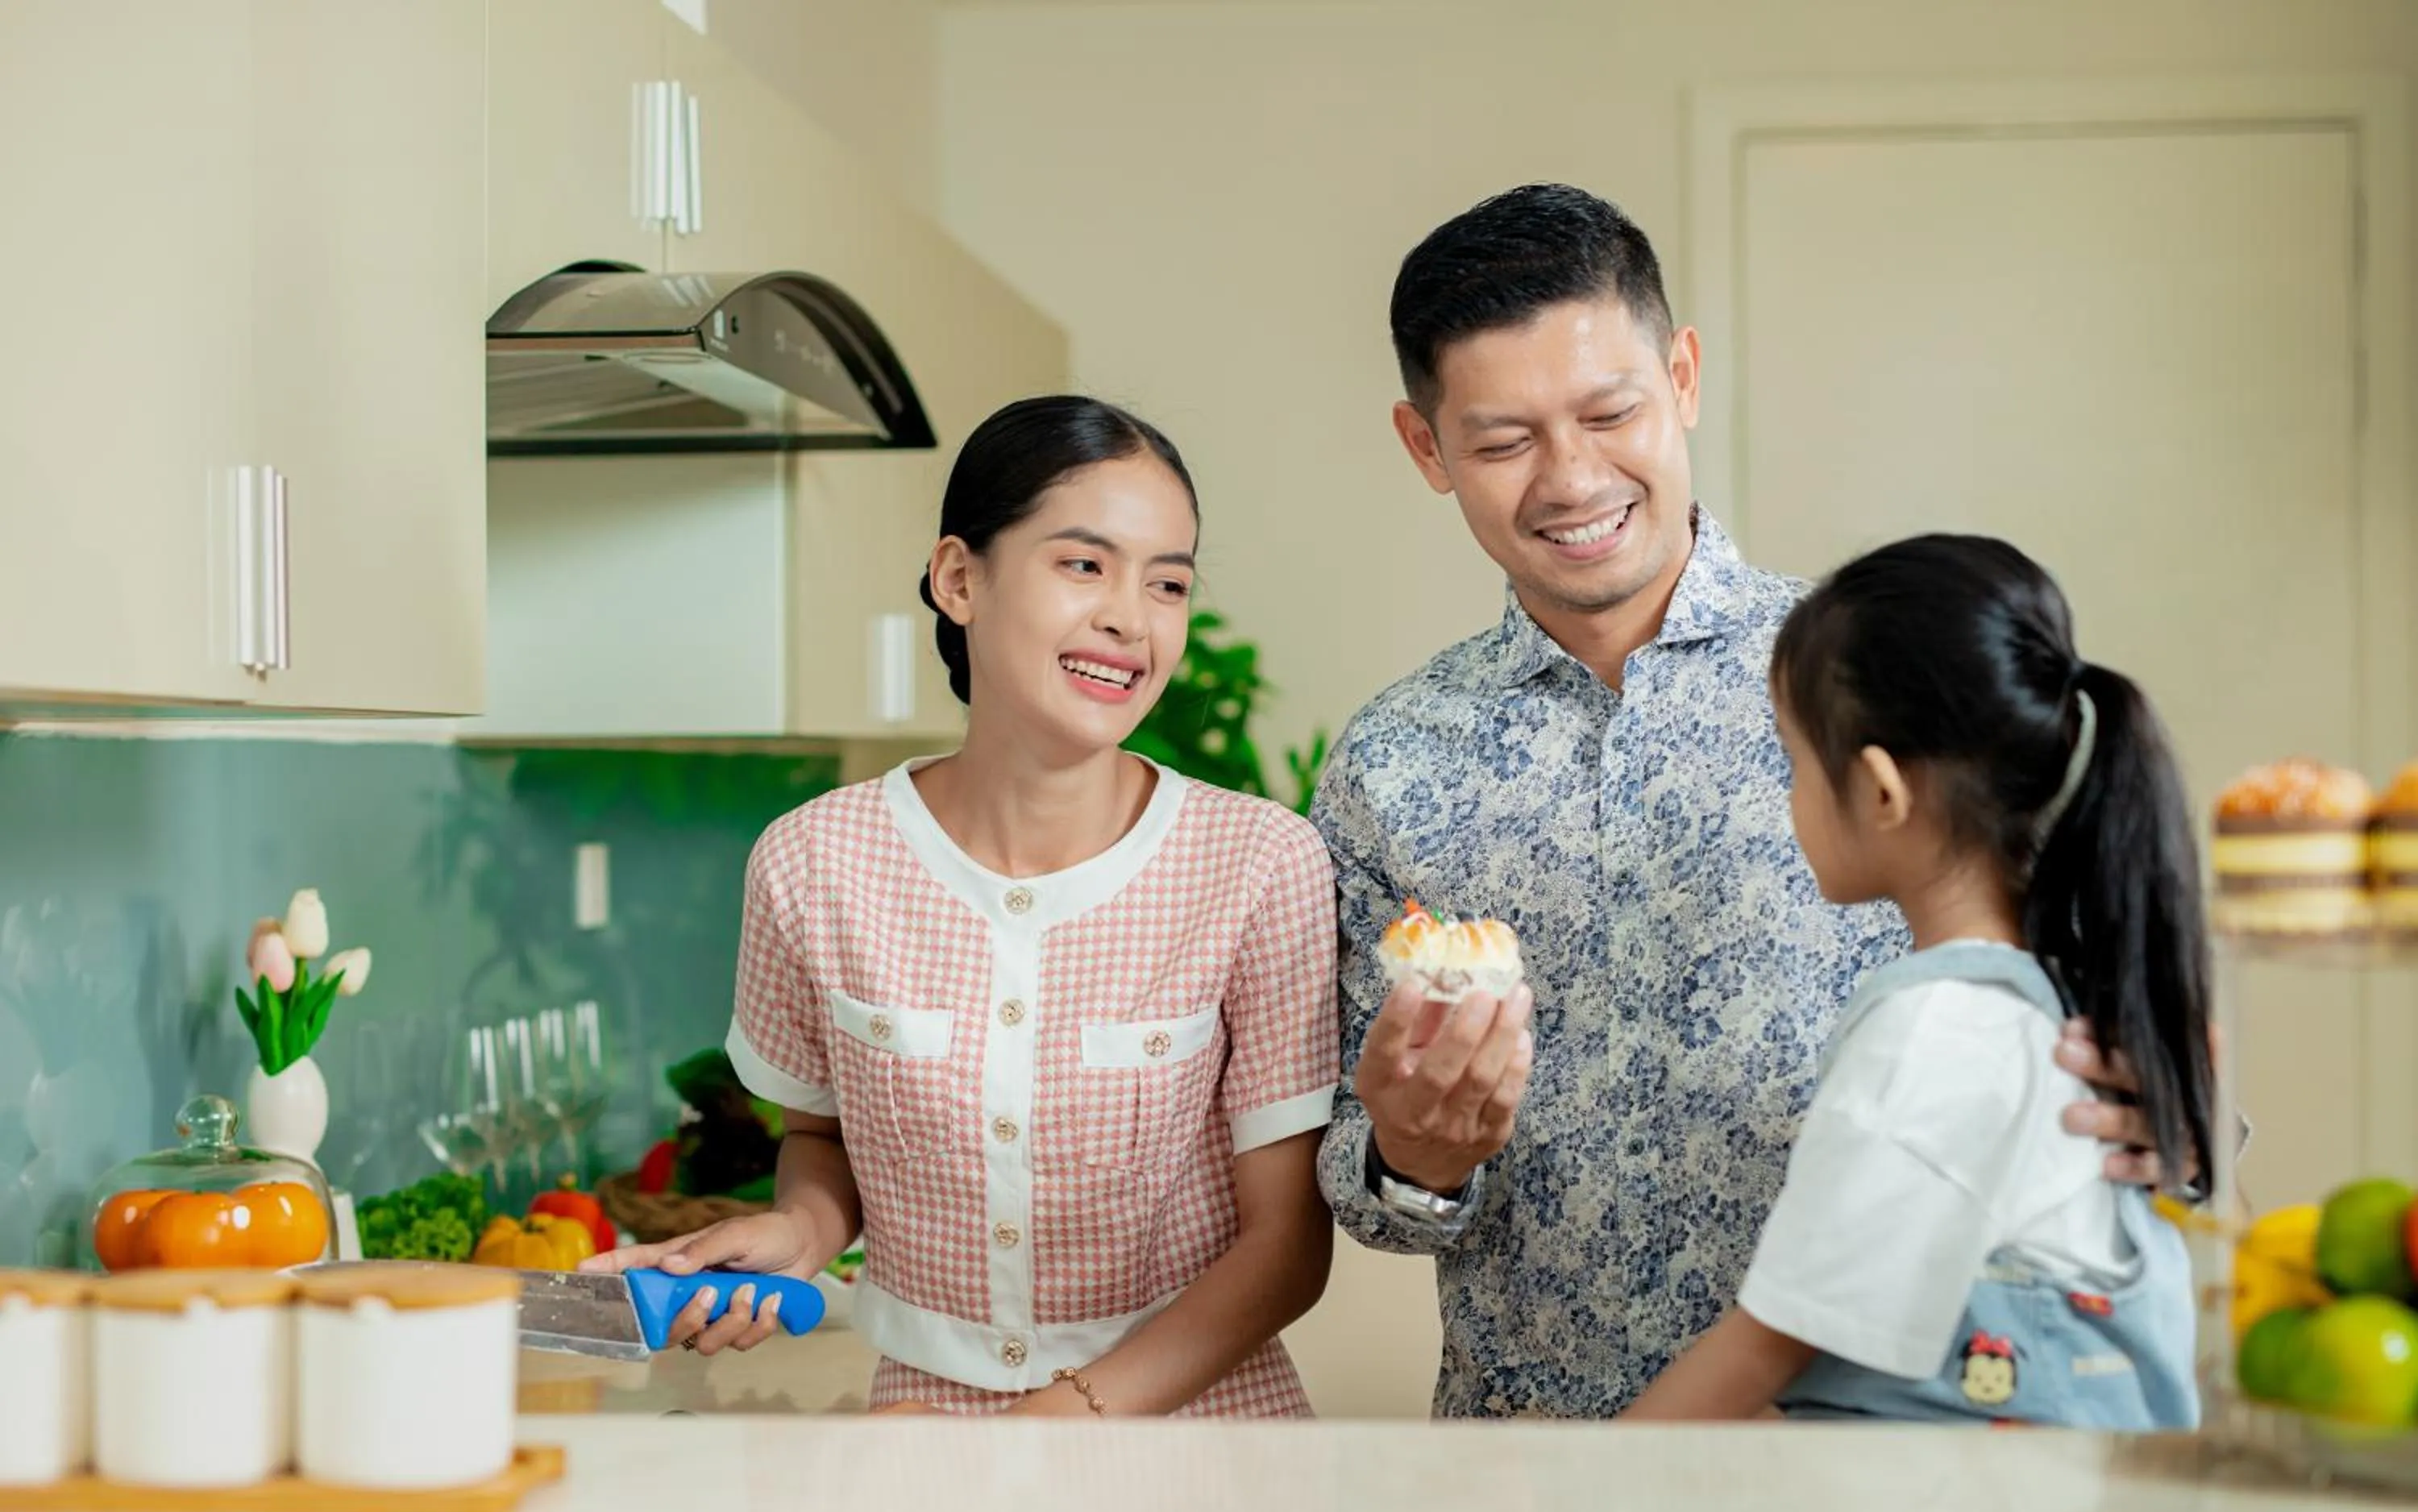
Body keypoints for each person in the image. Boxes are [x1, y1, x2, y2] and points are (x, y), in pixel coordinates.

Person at [1312, 183, 2187, 1418]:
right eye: (1504, 442)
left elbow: (2120, 1023)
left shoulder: (1877, 680)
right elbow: (1368, 1192)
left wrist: (2166, 1101)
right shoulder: (1391, 763)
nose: (1572, 478)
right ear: (1427, 448)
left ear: (1681, 377)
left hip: (1882, 1458)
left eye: (1610, 413)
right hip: (1528, 1462)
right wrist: (1415, 1158)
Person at [588, 395, 1340, 1417]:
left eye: (1167, 582)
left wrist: (1044, 1430)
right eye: (1085, 564)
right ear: (958, 579)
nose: (1130, 617)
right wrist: (799, 1233)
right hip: (926, 1432)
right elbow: (821, 1139)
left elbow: (1287, 1247)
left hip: (1202, 1436)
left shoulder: (1257, 863)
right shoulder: (813, 863)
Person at [1622, 534, 2209, 1426]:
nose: (1789, 798)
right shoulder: (2068, 1001)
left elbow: (1768, 1345)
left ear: (1881, 792)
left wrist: (1570, 1490)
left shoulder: (1938, 1027)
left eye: (1793, 762)